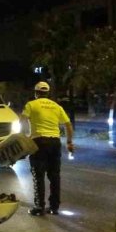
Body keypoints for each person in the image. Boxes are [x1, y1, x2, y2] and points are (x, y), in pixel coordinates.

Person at [21, 81, 74, 216]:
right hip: (55, 142)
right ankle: (54, 207)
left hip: (39, 142)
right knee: (54, 176)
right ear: (48, 93)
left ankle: (39, 207)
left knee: (38, 175)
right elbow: (68, 125)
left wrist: (24, 138)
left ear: (36, 93)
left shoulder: (31, 104)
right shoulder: (57, 106)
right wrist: (69, 142)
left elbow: (22, 121)